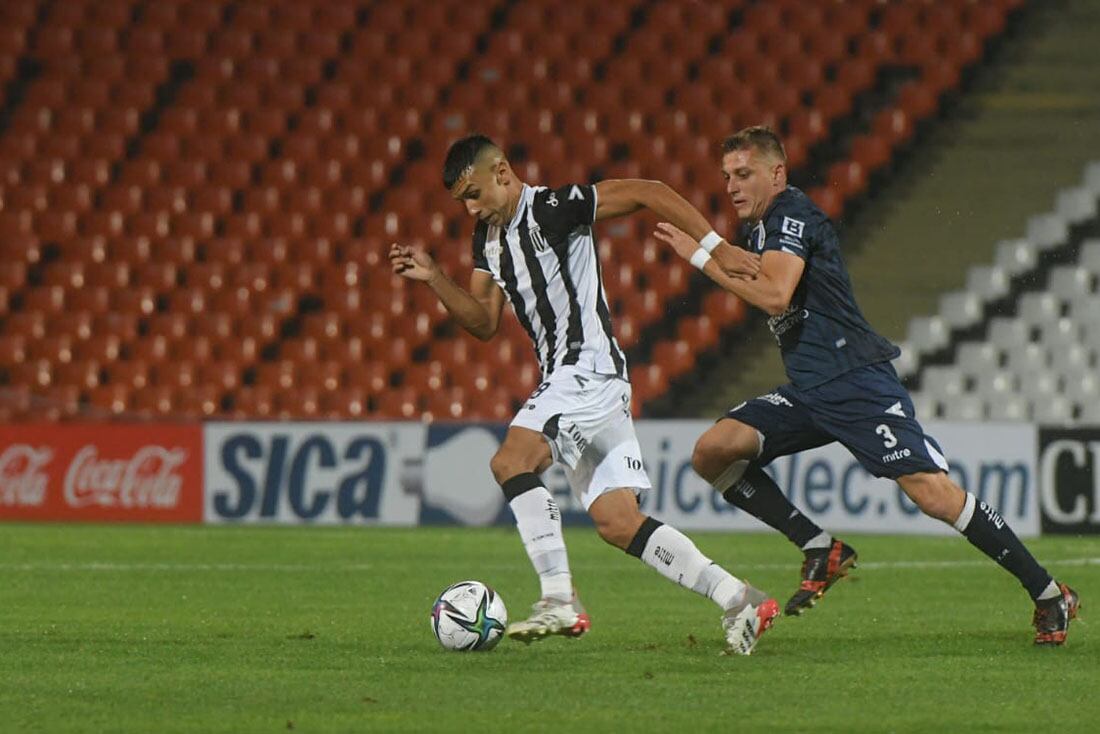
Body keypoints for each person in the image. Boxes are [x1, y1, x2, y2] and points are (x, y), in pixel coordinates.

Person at [653, 125, 1079, 645]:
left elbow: (774, 297)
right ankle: (819, 547)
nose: (733, 186)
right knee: (713, 452)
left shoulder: (791, 213)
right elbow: (761, 285)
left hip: (854, 380)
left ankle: (1048, 593)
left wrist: (700, 256)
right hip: (810, 387)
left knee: (933, 495)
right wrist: (710, 256)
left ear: (777, 173)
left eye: (744, 174)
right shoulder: (761, 230)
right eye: (726, 177)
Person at [389, 134, 777, 654]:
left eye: (476, 193)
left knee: (510, 462)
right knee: (618, 523)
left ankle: (558, 599)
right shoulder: (487, 240)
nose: (472, 207)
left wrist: (718, 248)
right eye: (464, 200)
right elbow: (482, 322)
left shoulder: (552, 208)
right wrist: (436, 278)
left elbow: (648, 190)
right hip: (589, 382)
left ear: (503, 172)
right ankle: (739, 596)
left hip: (584, 370)